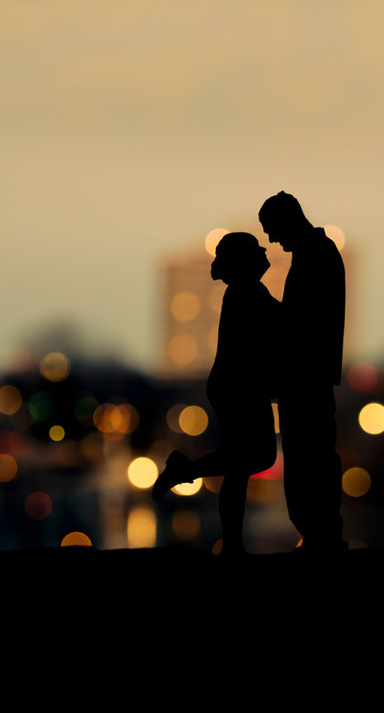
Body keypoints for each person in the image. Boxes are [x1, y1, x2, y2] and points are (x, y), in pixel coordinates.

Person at [152, 232, 279, 556]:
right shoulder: (246, 292)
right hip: (239, 388)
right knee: (245, 462)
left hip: (237, 386)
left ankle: (186, 472)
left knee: (250, 460)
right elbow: (281, 322)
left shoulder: (247, 291)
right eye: (256, 250)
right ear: (244, 261)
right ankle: (232, 543)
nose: (264, 252)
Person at [259, 191, 346, 553]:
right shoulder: (317, 253)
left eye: (272, 230)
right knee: (311, 457)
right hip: (309, 377)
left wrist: (261, 302)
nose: (272, 241)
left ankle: (320, 534)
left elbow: (302, 323)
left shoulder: (315, 256)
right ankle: (319, 532)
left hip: (306, 379)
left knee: (309, 459)